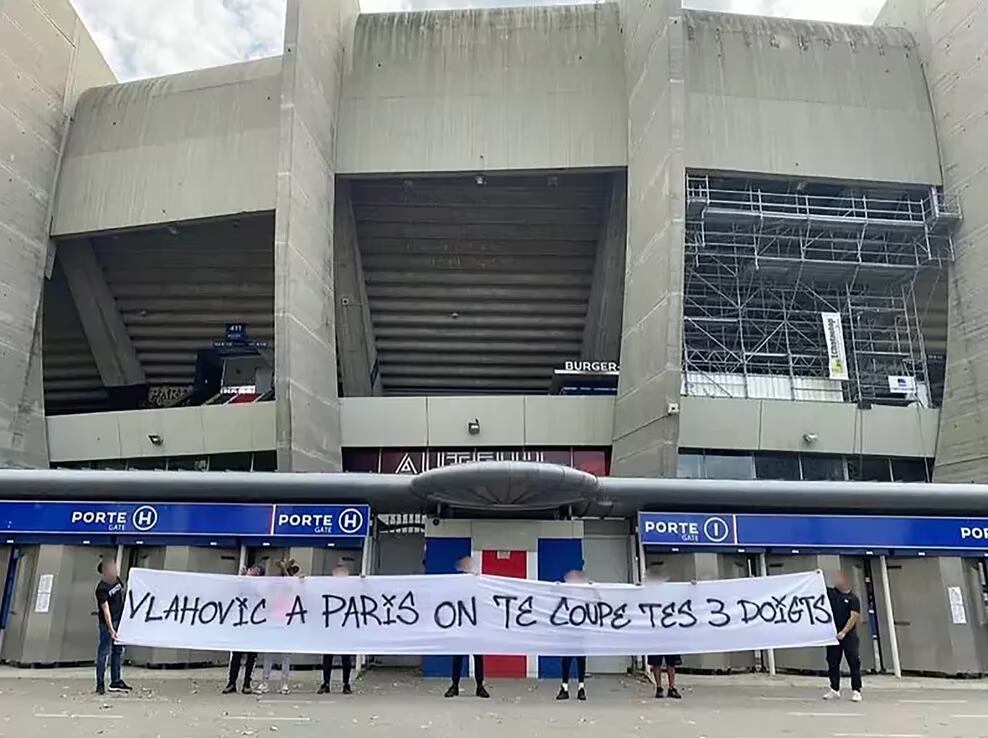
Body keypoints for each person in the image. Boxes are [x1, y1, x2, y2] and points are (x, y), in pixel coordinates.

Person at [445, 555, 489, 699]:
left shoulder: (479, 583)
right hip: (462, 625)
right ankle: (455, 685)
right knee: (458, 657)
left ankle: (479, 685)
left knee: (478, 657)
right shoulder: (458, 584)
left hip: (475, 626)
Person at [257, 559, 300, 695]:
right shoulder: (274, 586)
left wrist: (284, 570)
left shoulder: (292, 586)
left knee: (285, 656)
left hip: (286, 622)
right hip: (273, 622)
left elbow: (290, 586)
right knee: (269, 654)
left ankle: (284, 683)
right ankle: (265, 681)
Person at [223, 563, 263, 694]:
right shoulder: (241, 585)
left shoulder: (260, 589)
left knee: (251, 657)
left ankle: (247, 683)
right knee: (236, 656)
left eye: (256, 572)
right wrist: (242, 578)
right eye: (252, 570)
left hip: (254, 627)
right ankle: (231, 682)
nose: (252, 573)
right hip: (240, 625)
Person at [824, 570, 863, 703]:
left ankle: (856, 690)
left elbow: (854, 617)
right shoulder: (832, 594)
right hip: (833, 635)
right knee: (832, 661)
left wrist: (844, 632)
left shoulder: (853, 599)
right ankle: (834, 688)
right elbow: (817, 588)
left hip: (848, 635)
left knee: (853, 661)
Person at [95, 559, 131, 695]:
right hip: (108, 623)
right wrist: (111, 629)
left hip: (120, 620)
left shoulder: (117, 581)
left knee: (118, 651)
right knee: (104, 652)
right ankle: (100, 684)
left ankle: (116, 681)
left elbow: (122, 596)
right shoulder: (101, 589)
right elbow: (105, 609)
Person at [319, 564, 354, 695]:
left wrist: (364, 581)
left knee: (346, 658)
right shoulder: (327, 588)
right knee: (328, 657)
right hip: (331, 627)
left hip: (345, 627)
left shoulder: (351, 589)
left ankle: (346, 683)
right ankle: (326, 683)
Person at [557, 569, 589, 701]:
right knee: (567, 659)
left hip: (579, 630)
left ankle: (581, 687)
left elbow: (597, 599)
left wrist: (592, 587)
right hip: (569, 630)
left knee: (580, 659)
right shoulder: (566, 593)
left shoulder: (584, 593)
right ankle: (565, 687)